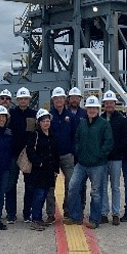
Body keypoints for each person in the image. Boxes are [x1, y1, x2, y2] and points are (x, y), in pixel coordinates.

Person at [66, 96, 113, 229]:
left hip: (98, 165)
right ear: (86, 109)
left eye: (94, 108)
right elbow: (77, 139)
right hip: (81, 163)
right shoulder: (82, 123)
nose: (91, 110)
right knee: (73, 187)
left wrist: (99, 155)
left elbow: (108, 143)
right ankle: (75, 217)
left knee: (96, 193)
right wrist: (78, 152)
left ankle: (94, 219)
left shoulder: (104, 124)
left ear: (98, 109)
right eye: (89, 108)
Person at [26, 108, 60, 231]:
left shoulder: (52, 135)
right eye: (43, 121)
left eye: (47, 121)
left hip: (49, 171)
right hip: (39, 171)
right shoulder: (35, 135)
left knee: (45, 193)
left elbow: (55, 153)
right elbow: (30, 150)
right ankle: (35, 218)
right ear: (38, 123)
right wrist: (38, 163)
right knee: (39, 195)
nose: (46, 123)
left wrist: (56, 169)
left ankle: (39, 219)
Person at [6, 87, 36, 223]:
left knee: (29, 185)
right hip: (13, 154)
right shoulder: (11, 114)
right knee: (11, 184)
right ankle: (11, 214)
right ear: (17, 100)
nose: (23, 101)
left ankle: (27, 213)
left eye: (25, 98)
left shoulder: (34, 114)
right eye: (21, 99)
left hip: (28, 155)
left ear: (29, 100)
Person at [46, 86, 75, 223]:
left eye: (61, 98)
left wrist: (74, 152)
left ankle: (68, 210)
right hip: (52, 157)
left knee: (70, 184)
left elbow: (75, 136)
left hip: (67, 155)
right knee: (50, 186)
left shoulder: (71, 116)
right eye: (56, 98)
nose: (59, 100)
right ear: (53, 100)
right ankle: (50, 213)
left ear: (65, 100)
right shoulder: (48, 117)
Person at [100, 90, 127, 226]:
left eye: (111, 102)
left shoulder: (121, 119)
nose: (109, 104)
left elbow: (124, 139)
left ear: (115, 104)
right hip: (103, 159)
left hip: (116, 158)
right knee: (102, 186)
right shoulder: (100, 119)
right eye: (107, 102)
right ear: (104, 104)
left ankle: (115, 213)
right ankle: (104, 213)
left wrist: (118, 150)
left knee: (115, 187)